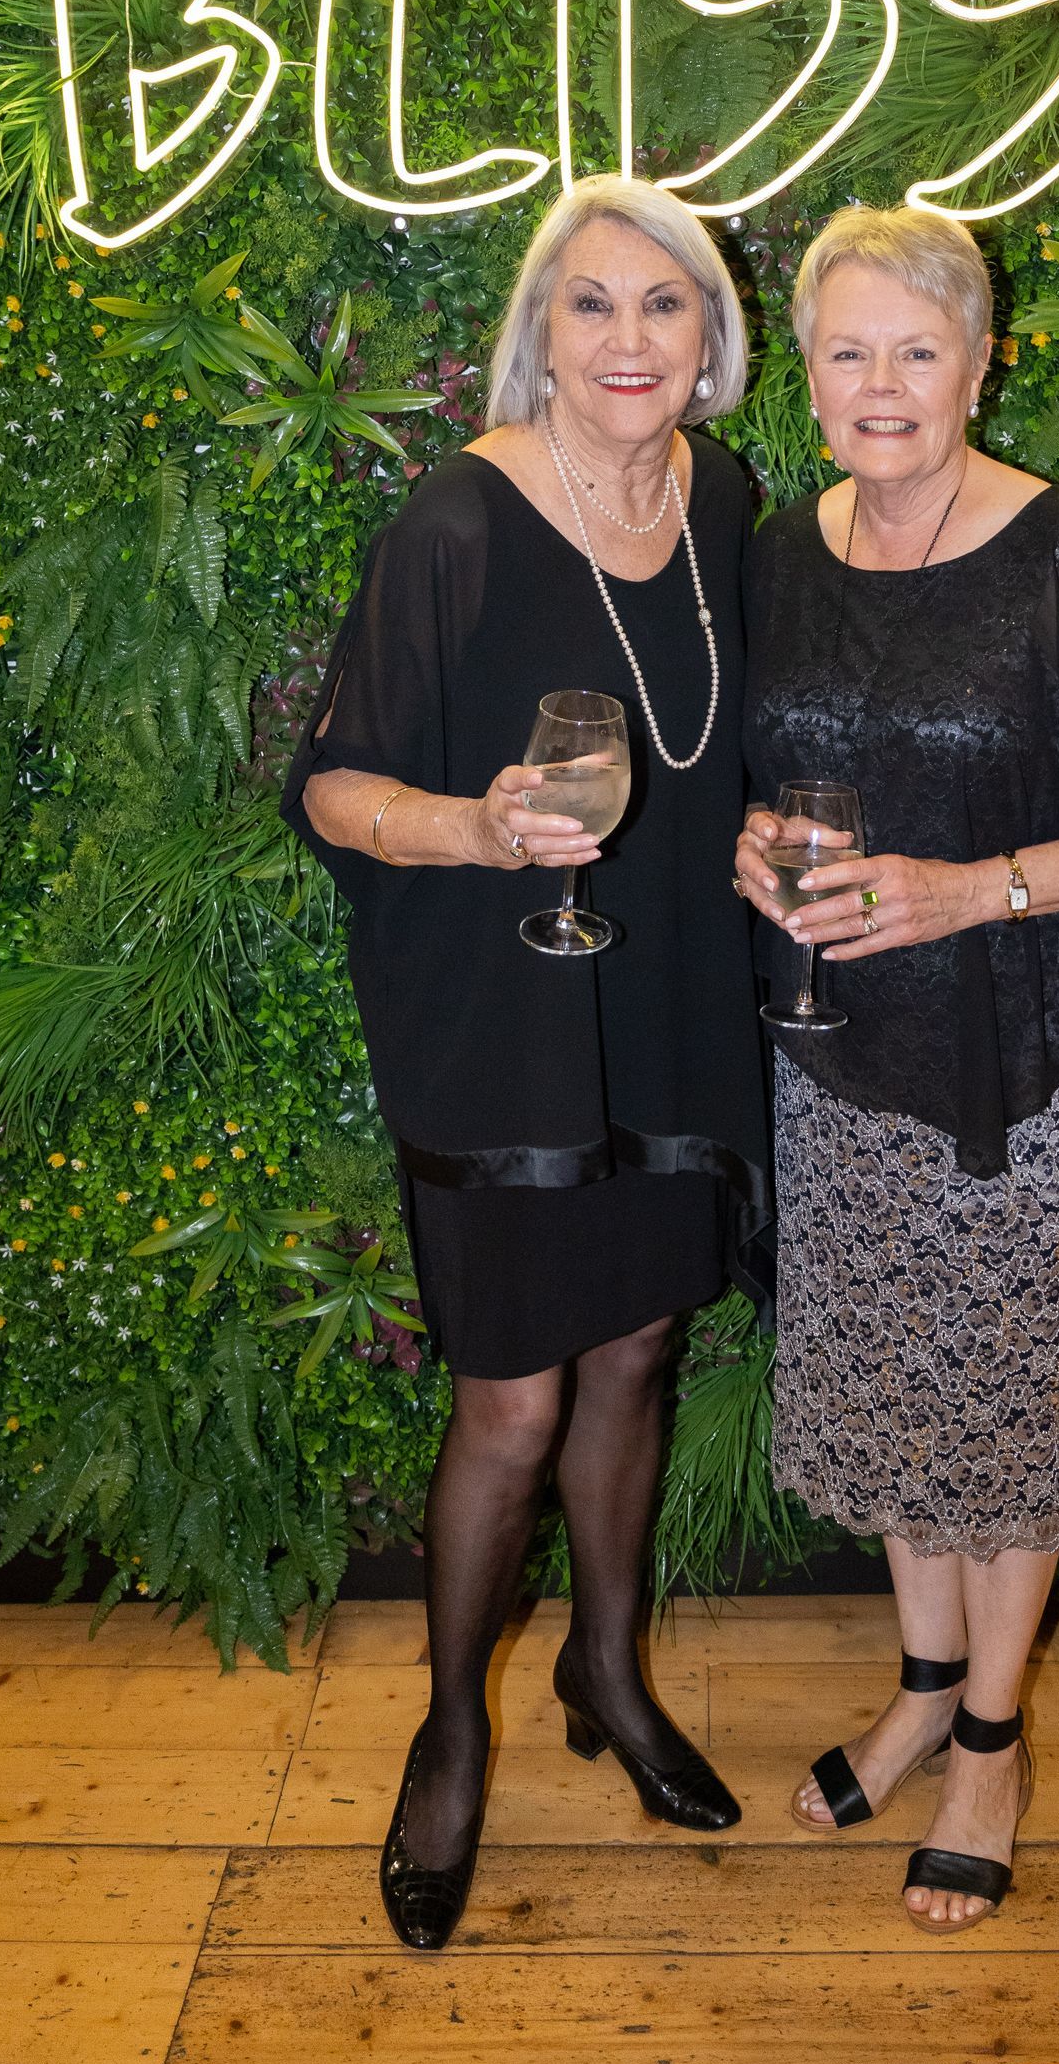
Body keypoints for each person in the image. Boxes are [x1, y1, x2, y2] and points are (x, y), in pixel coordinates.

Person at [737, 203, 1059, 1938]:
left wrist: (979, 889)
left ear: (981, 361)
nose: (882, 384)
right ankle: (917, 1689)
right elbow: (773, 767)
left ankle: (993, 1748)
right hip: (838, 1047)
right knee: (893, 1394)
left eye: (917, 349)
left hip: (1024, 1063)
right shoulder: (783, 550)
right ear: (803, 374)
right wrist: (753, 846)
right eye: (846, 350)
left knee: (1009, 1416)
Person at [282, 179, 769, 1954]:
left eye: (665, 308)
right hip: (497, 1007)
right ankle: (452, 1734)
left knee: (637, 1346)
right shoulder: (459, 523)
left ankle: (610, 1677)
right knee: (510, 1400)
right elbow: (335, 785)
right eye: (593, 307)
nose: (630, 341)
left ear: (711, 342)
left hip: (678, 999)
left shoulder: (725, 500)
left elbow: (733, 744)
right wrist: (479, 833)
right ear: (537, 332)